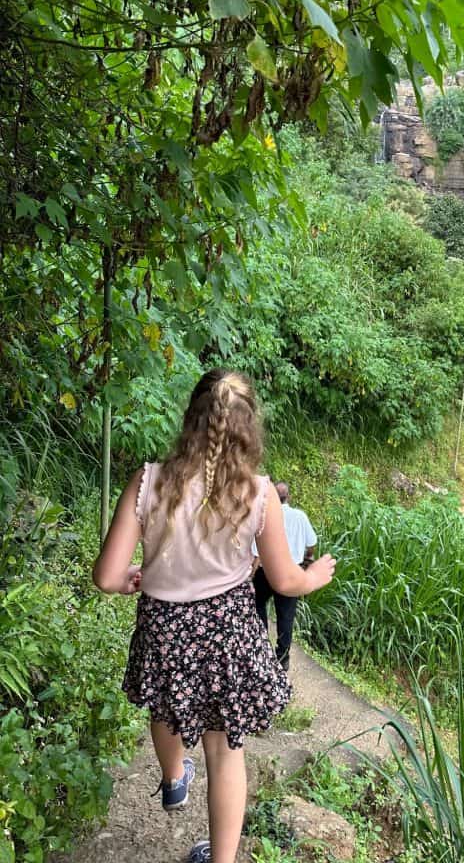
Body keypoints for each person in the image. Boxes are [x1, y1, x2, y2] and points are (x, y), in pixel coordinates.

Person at [92, 369, 335, 863]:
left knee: (165, 709)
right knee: (225, 752)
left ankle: (173, 778)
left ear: (191, 417)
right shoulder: (258, 492)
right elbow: (285, 580)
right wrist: (316, 575)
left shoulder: (148, 482)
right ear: (248, 429)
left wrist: (131, 577)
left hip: (164, 627)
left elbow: (106, 576)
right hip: (227, 630)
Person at [252, 481, 317, 671]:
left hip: (265, 570)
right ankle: (282, 658)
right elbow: (311, 542)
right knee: (286, 616)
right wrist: (309, 557)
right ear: (288, 497)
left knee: (257, 604)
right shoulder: (299, 516)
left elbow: (255, 547)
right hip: (291, 570)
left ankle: (262, 646)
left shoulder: (263, 515)